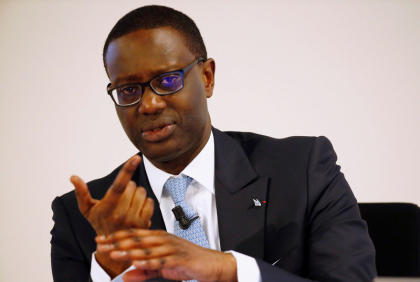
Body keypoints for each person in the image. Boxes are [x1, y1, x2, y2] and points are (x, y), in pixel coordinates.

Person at [50, 5, 377, 282]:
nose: (148, 105)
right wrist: (112, 268)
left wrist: (228, 269)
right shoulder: (83, 217)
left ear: (206, 78)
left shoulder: (303, 169)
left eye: (167, 80)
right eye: (128, 91)